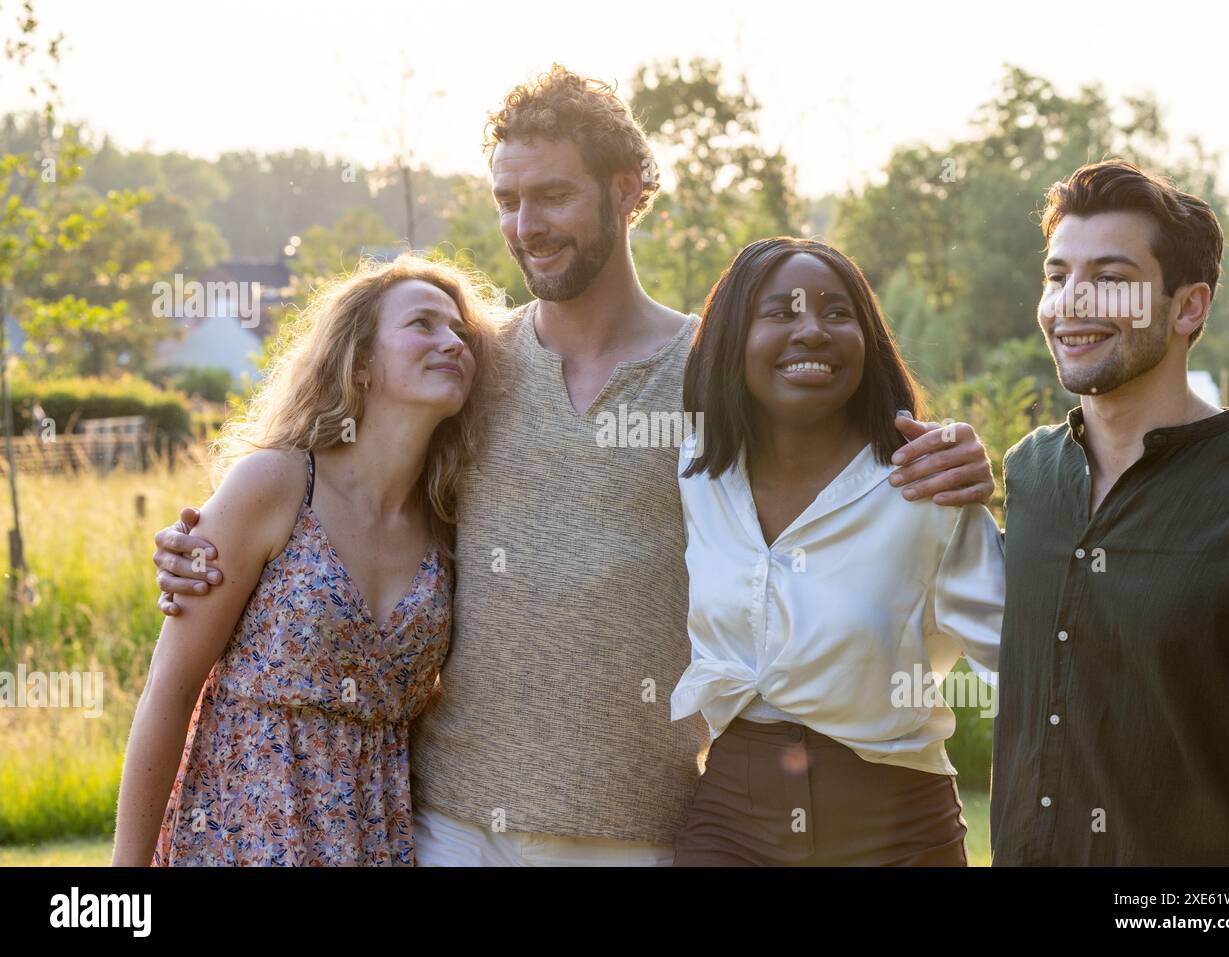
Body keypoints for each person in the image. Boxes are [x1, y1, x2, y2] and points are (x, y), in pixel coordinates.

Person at [150, 66, 997, 867]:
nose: (526, 226)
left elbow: (833, 434)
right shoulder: (472, 364)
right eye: (508, 201)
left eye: (553, 195)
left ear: (628, 190)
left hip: (634, 826)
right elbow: (349, 477)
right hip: (450, 822)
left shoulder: (712, 375)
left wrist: (949, 449)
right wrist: (202, 543)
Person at [113, 255, 497, 865]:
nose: (451, 342)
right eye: (423, 324)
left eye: (460, 332)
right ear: (362, 362)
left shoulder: (451, 521)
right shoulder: (276, 484)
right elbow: (171, 688)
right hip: (239, 830)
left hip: (376, 837)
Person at [991, 159, 1229, 866]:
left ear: (1188, 307)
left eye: (1109, 278)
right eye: (1057, 275)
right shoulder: (1031, 473)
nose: (1071, 301)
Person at [669, 238, 1004, 865]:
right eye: (780, 313)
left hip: (898, 828)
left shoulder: (926, 487)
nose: (812, 331)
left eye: (836, 313)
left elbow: (1021, 663)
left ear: (868, 341)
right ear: (732, 340)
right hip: (731, 824)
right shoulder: (697, 473)